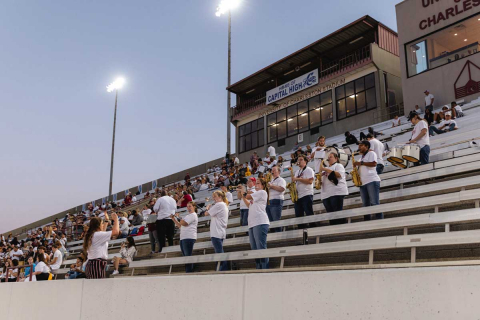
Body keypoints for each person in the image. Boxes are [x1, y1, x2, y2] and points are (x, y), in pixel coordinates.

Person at [240, 178, 270, 269]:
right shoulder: (256, 195)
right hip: (253, 223)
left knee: (261, 247)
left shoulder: (262, 192)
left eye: (258, 183)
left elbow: (248, 196)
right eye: (255, 183)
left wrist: (243, 191)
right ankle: (258, 267)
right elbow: (249, 205)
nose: (256, 185)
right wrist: (242, 195)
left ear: (263, 185)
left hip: (260, 222)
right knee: (254, 249)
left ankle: (264, 268)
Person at [83, 212, 119, 279]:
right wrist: (116, 219)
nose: (103, 225)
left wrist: (106, 221)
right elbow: (116, 231)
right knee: (97, 286)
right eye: (102, 224)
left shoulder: (93, 234)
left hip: (93, 263)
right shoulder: (97, 235)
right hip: (96, 263)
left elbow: (102, 232)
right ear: (98, 225)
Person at [353, 141, 383, 221]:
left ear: (366, 146)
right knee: (365, 205)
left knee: (374, 203)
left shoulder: (371, 153)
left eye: (361, 145)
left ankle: (380, 221)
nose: (359, 147)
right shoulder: (360, 158)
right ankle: (367, 223)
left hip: (371, 180)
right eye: (359, 145)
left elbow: (374, 164)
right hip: (363, 183)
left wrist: (360, 163)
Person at [320, 153, 349, 225]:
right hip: (326, 194)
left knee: (337, 213)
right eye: (328, 157)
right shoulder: (325, 169)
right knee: (330, 214)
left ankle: (341, 228)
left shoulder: (339, 165)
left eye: (331, 157)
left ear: (336, 158)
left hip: (336, 192)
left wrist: (325, 169)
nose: (329, 158)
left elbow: (339, 175)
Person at [171, 201, 198, 273]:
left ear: (194, 207)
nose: (188, 208)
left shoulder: (193, 215)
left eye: (190, 206)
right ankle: (189, 270)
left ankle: (189, 271)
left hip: (189, 237)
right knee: (185, 256)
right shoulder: (188, 216)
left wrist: (178, 217)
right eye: (187, 206)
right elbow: (181, 226)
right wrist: (174, 219)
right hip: (183, 237)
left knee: (187, 256)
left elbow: (184, 223)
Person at [204, 191, 229, 271]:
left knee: (219, 253)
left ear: (220, 197)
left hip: (217, 232)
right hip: (219, 231)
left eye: (215, 196)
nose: (213, 198)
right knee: (219, 251)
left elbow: (206, 213)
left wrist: (207, 208)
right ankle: (221, 268)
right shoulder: (223, 205)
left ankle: (222, 269)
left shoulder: (219, 205)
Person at [291, 155, 315, 229]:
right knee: (298, 216)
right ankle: (301, 231)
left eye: (301, 159)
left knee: (309, 213)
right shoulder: (297, 172)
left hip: (306, 194)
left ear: (306, 161)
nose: (299, 161)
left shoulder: (309, 170)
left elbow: (310, 181)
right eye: (298, 160)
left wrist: (297, 179)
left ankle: (313, 229)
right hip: (298, 196)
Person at [266, 165, 286, 232]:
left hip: (276, 200)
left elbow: (282, 189)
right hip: (269, 201)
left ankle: (278, 235)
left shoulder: (281, 180)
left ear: (279, 172)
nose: (272, 171)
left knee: (276, 220)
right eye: (272, 170)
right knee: (270, 221)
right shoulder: (270, 181)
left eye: (274, 170)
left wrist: (271, 186)